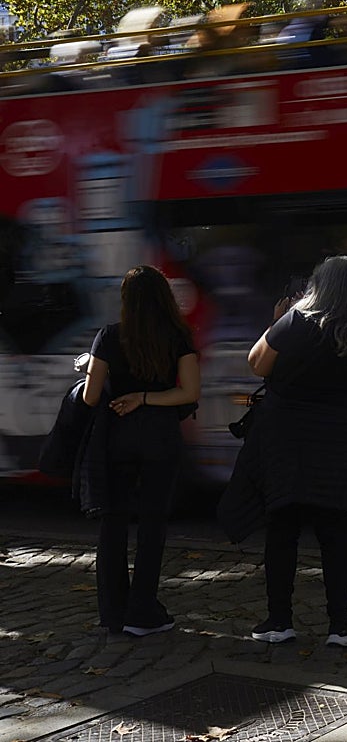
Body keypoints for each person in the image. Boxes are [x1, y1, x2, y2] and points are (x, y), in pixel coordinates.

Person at [244, 255, 347, 647]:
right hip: (337, 439)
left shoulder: (296, 322)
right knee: (335, 532)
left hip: (288, 439)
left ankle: (279, 620)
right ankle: (340, 624)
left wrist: (277, 319)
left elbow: (257, 364)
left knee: (283, 528)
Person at [81, 265, 201, 637]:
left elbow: (90, 396)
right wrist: (147, 398)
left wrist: (93, 369)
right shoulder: (179, 336)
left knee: (113, 524)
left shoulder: (109, 337)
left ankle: (112, 612)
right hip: (161, 438)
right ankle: (143, 611)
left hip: (117, 438)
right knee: (153, 525)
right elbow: (190, 393)